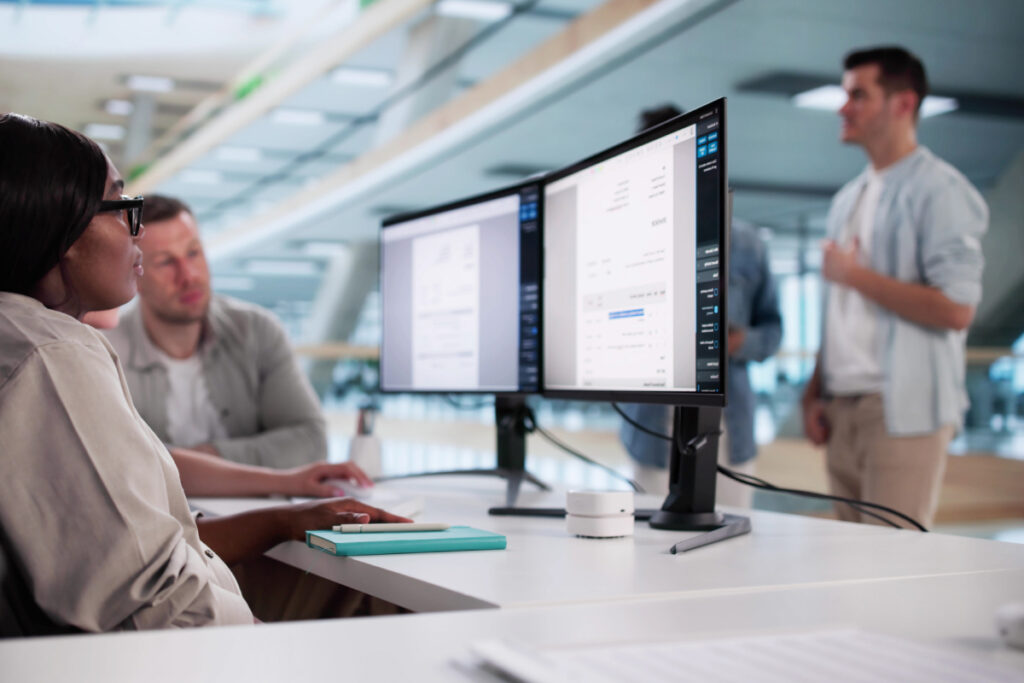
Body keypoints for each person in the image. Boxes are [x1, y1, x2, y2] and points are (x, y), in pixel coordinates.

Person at [0, 113, 408, 636]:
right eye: (121, 206)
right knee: (379, 610)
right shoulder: (55, 357)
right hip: (174, 653)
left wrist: (285, 516)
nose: (137, 229)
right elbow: (150, 600)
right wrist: (265, 643)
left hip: (164, 611)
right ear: (64, 232)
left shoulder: (32, 339)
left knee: (357, 593)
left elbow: (133, 536)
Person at [801, 47, 988, 529]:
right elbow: (839, 309)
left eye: (858, 95)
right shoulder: (848, 199)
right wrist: (814, 391)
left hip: (902, 412)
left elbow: (957, 309)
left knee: (893, 567)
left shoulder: (940, 191)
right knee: (847, 566)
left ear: (903, 104)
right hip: (842, 408)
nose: (843, 108)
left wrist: (853, 276)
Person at [620, 105, 782, 505]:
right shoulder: (625, 241)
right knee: (647, 543)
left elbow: (773, 330)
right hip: (651, 430)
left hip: (730, 429)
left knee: (732, 544)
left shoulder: (745, 243)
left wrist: (738, 342)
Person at [104, 195, 326, 469]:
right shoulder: (107, 352)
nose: (189, 276)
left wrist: (208, 458)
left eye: (193, 253)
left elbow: (311, 441)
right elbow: (116, 462)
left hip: (260, 507)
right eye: (165, 262)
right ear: (135, 269)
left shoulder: (258, 330)